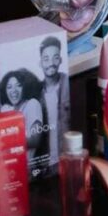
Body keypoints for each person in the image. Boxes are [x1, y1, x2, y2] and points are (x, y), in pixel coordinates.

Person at [38, 36, 70, 173]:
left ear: (61, 60)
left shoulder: (68, 83)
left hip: (67, 160)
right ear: (40, 63)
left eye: (55, 58)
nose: (51, 63)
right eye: (46, 59)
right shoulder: (36, 92)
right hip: (45, 166)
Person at [0, 68, 44, 162]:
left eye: (18, 86)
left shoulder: (32, 104)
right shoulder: (5, 109)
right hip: (7, 163)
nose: (14, 90)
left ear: (24, 87)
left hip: (26, 165)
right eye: (9, 87)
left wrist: (4, 140)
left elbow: (35, 140)